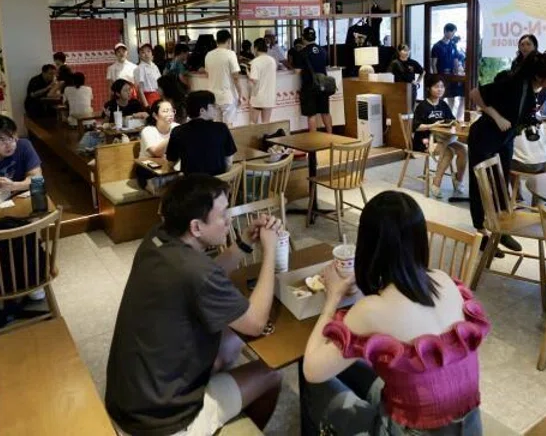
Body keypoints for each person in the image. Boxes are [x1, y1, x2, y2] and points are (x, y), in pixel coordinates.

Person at [105, 174, 283, 435]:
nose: (229, 220)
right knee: (272, 374)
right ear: (196, 227)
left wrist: (244, 243)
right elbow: (256, 323)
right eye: (222, 215)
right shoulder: (196, 271)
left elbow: (207, 274)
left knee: (230, 341)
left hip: (128, 400)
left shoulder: (157, 238)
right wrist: (270, 251)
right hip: (162, 422)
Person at [300, 191, 489, 435]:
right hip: (469, 427)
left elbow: (312, 370)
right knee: (354, 364)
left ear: (368, 247)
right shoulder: (444, 280)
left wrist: (332, 298)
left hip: (411, 431)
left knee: (311, 374)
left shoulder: (371, 310)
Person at [467, 53, 546, 252]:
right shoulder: (514, 84)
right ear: (541, 76)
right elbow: (475, 93)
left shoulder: (540, 90)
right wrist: (496, 116)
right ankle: (481, 231)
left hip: (506, 138)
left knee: (502, 183)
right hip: (485, 135)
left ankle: (501, 229)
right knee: (480, 184)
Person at [413, 74, 467, 199]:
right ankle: (436, 183)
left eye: (442, 87)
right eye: (436, 86)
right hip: (424, 141)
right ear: (429, 88)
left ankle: (458, 180)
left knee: (463, 150)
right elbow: (415, 127)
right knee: (448, 151)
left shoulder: (443, 104)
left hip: (443, 139)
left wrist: (456, 123)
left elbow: (451, 120)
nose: (440, 89)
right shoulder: (422, 106)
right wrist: (432, 125)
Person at [166, 91, 238, 176]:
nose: (216, 108)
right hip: (218, 183)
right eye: (213, 105)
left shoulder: (178, 131)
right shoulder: (221, 128)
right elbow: (229, 162)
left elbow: (171, 163)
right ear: (202, 110)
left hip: (192, 183)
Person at [294, 26, 332, 134]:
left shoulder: (301, 53)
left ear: (303, 38)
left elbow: (297, 71)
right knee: (325, 112)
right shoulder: (323, 50)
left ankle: (313, 138)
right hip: (323, 85)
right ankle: (331, 135)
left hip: (309, 86)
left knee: (312, 114)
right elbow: (327, 66)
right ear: (315, 37)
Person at [205, 29, 242, 125]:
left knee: (217, 126)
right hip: (227, 97)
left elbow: (208, 74)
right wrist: (240, 94)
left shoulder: (209, 55)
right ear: (229, 40)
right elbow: (236, 77)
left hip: (213, 97)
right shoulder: (230, 54)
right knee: (228, 126)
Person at [248, 38, 278, 125]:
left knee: (253, 123)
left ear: (256, 48)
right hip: (269, 96)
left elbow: (254, 80)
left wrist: (248, 73)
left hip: (257, 96)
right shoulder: (272, 61)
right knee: (266, 123)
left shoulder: (255, 62)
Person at [135, 43, 162, 108]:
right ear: (139, 55)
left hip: (158, 96)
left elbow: (160, 83)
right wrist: (146, 106)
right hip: (148, 98)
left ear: (152, 53)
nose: (146, 54)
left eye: (148, 51)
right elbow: (140, 89)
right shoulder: (139, 68)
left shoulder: (154, 66)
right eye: (143, 52)